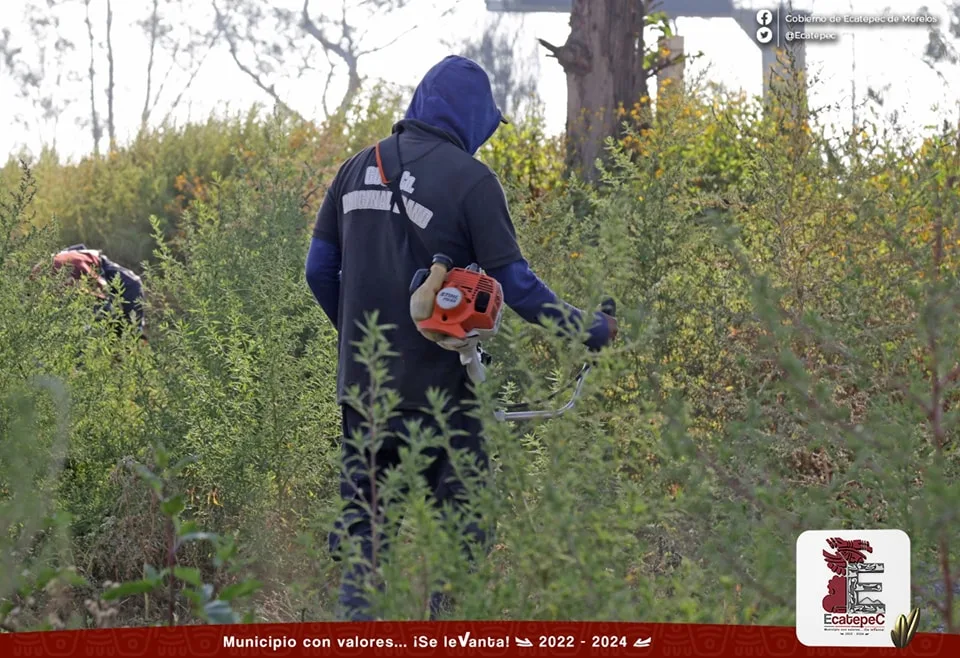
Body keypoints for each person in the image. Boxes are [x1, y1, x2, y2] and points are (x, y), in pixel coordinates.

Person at [305, 55, 617, 621]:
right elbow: (516, 284)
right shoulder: (472, 181)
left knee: (366, 550)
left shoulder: (353, 169)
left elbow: (317, 272)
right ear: (472, 117)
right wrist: (587, 330)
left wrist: (363, 343)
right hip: (441, 399)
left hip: (363, 393)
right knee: (460, 541)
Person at [42, 244, 145, 336]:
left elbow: (101, 289)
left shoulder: (78, 271)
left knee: (132, 285)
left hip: (88, 261)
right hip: (73, 262)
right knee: (101, 311)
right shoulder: (56, 279)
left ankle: (132, 334)